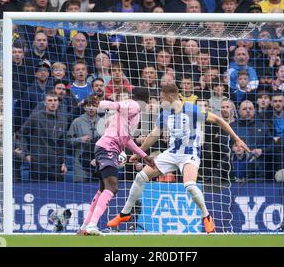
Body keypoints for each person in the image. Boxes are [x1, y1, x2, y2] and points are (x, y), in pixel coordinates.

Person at [106, 84, 249, 234]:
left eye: (162, 98)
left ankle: (206, 217)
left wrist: (236, 138)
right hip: (171, 153)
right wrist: (140, 153)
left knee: (190, 185)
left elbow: (219, 120)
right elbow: (154, 135)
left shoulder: (192, 110)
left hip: (189, 154)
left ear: (169, 97)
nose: (161, 101)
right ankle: (125, 213)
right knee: (141, 177)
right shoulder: (165, 113)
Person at [79, 89, 155, 235]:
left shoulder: (132, 116)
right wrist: (99, 104)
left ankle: (84, 227)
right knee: (112, 187)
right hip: (107, 148)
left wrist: (144, 156)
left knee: (103, 189)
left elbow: (126, 140)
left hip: (106, 148)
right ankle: (92, 225)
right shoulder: (134, 105)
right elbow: (116, 105)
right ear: (147, 100)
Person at [20, 91, 68, 182]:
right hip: (38, 162)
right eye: (50, 100)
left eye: (55, 100)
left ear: (58, 102)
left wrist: (63, 162)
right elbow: (22, 134)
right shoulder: (35, 117)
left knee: (57, 192)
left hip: (55, 163)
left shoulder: (63, 120)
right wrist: (26, 154)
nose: (53, 103)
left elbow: (62, 143)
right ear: (45, 103)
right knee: (36, 192)